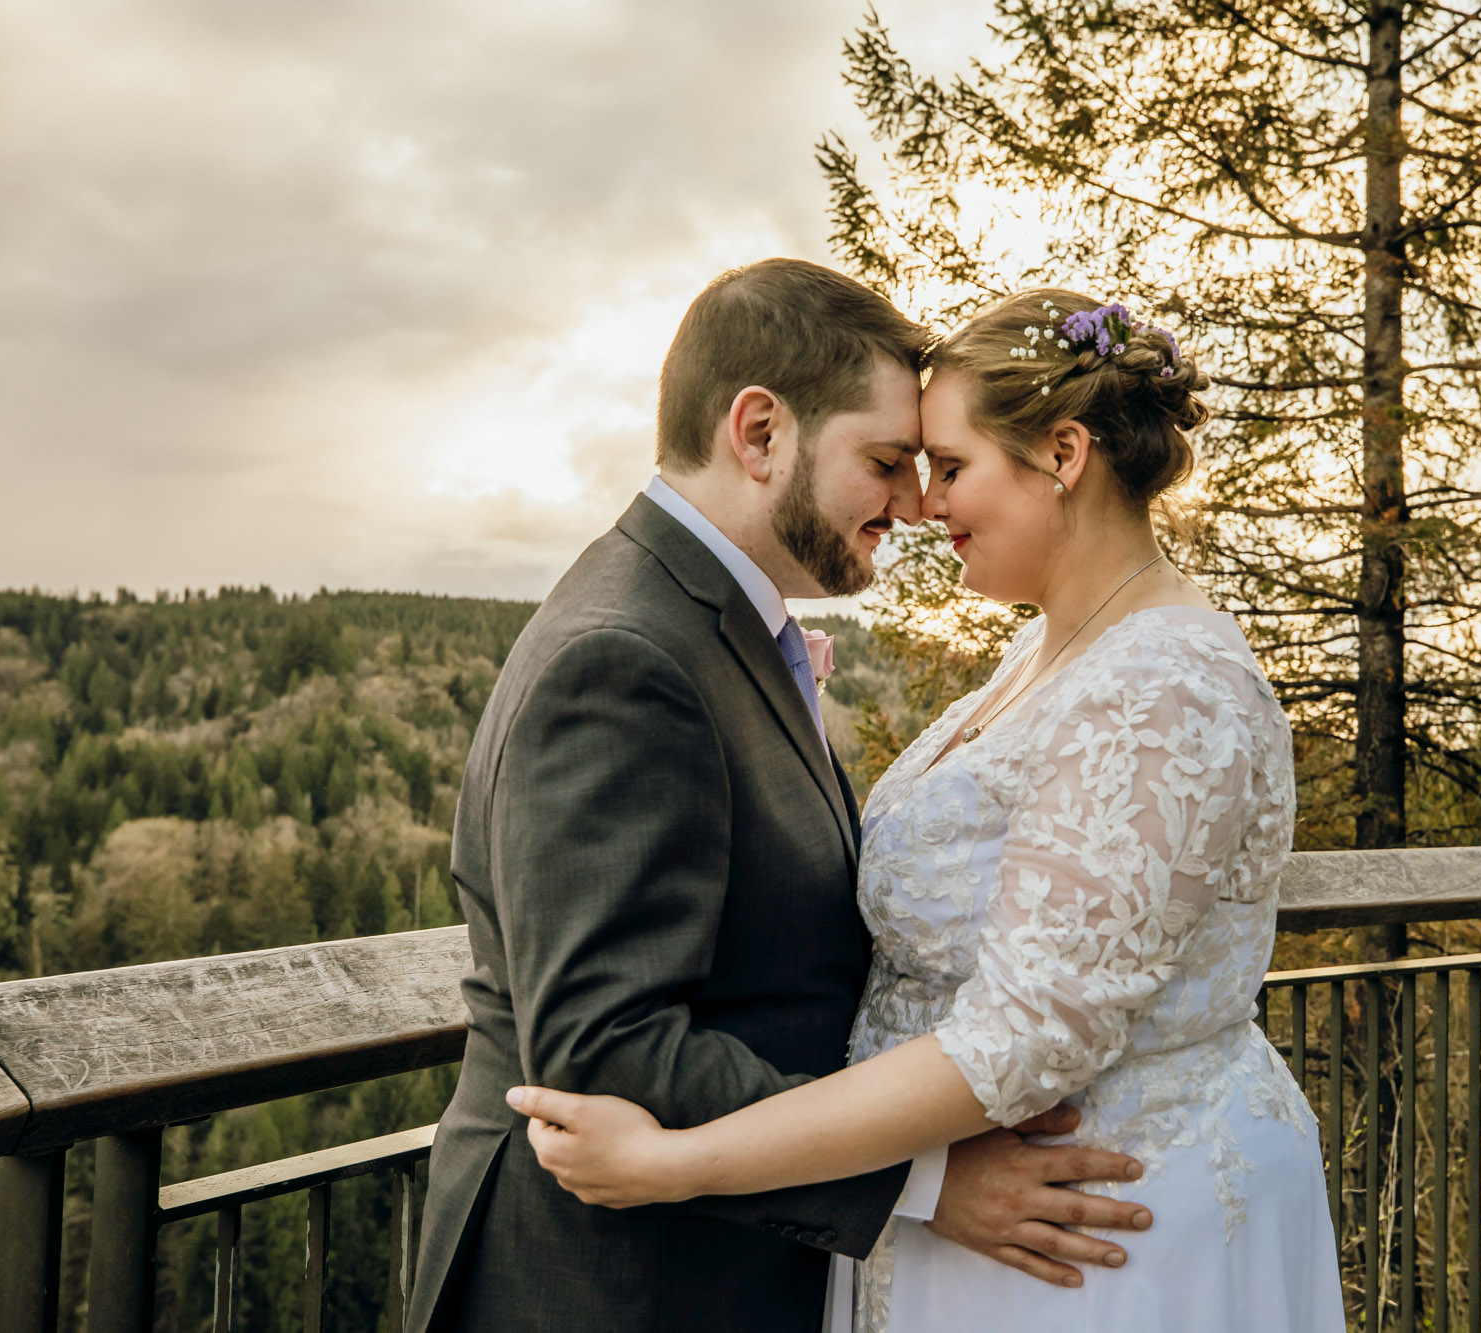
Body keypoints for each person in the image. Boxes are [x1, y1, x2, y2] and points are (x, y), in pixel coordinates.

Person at [508, 290, 1346, 1331]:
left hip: (1098, 1229)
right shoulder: (1045, 647)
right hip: (987, 1221)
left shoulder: (1163, 685)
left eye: (948, 468)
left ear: (1064, 454)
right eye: (908, 465)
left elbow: (1022, 1035)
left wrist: (683, 1162)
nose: (921, 504)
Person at [407, 262, 1154, 1333]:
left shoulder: (705, 620)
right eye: (885, 461)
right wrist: (922, 1183)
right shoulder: (624, 655)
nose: (912, 503)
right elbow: (604, 1044)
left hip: (713, 1265)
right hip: (616, 1285)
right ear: (758, 433)